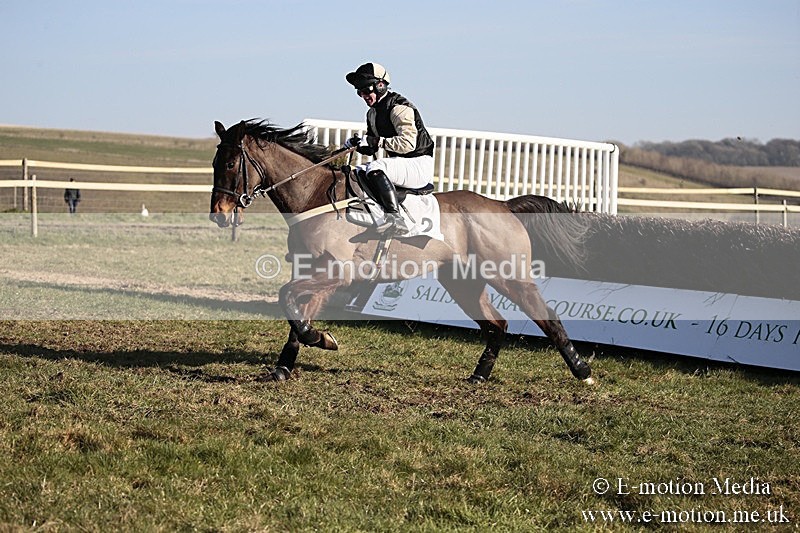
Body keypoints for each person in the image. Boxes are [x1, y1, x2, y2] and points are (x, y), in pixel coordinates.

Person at [344, 62, 435, 236]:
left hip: (418, 164)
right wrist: (357, 144)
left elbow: (408, 144)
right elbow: (372, 147)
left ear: (380, 86)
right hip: (401, 163)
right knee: (359, 171)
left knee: (375, 167)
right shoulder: (372, 114)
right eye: (359, 92)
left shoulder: (399, 108)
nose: (363, 96)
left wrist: (376, 141)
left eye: (366, 90)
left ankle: (395, 219)